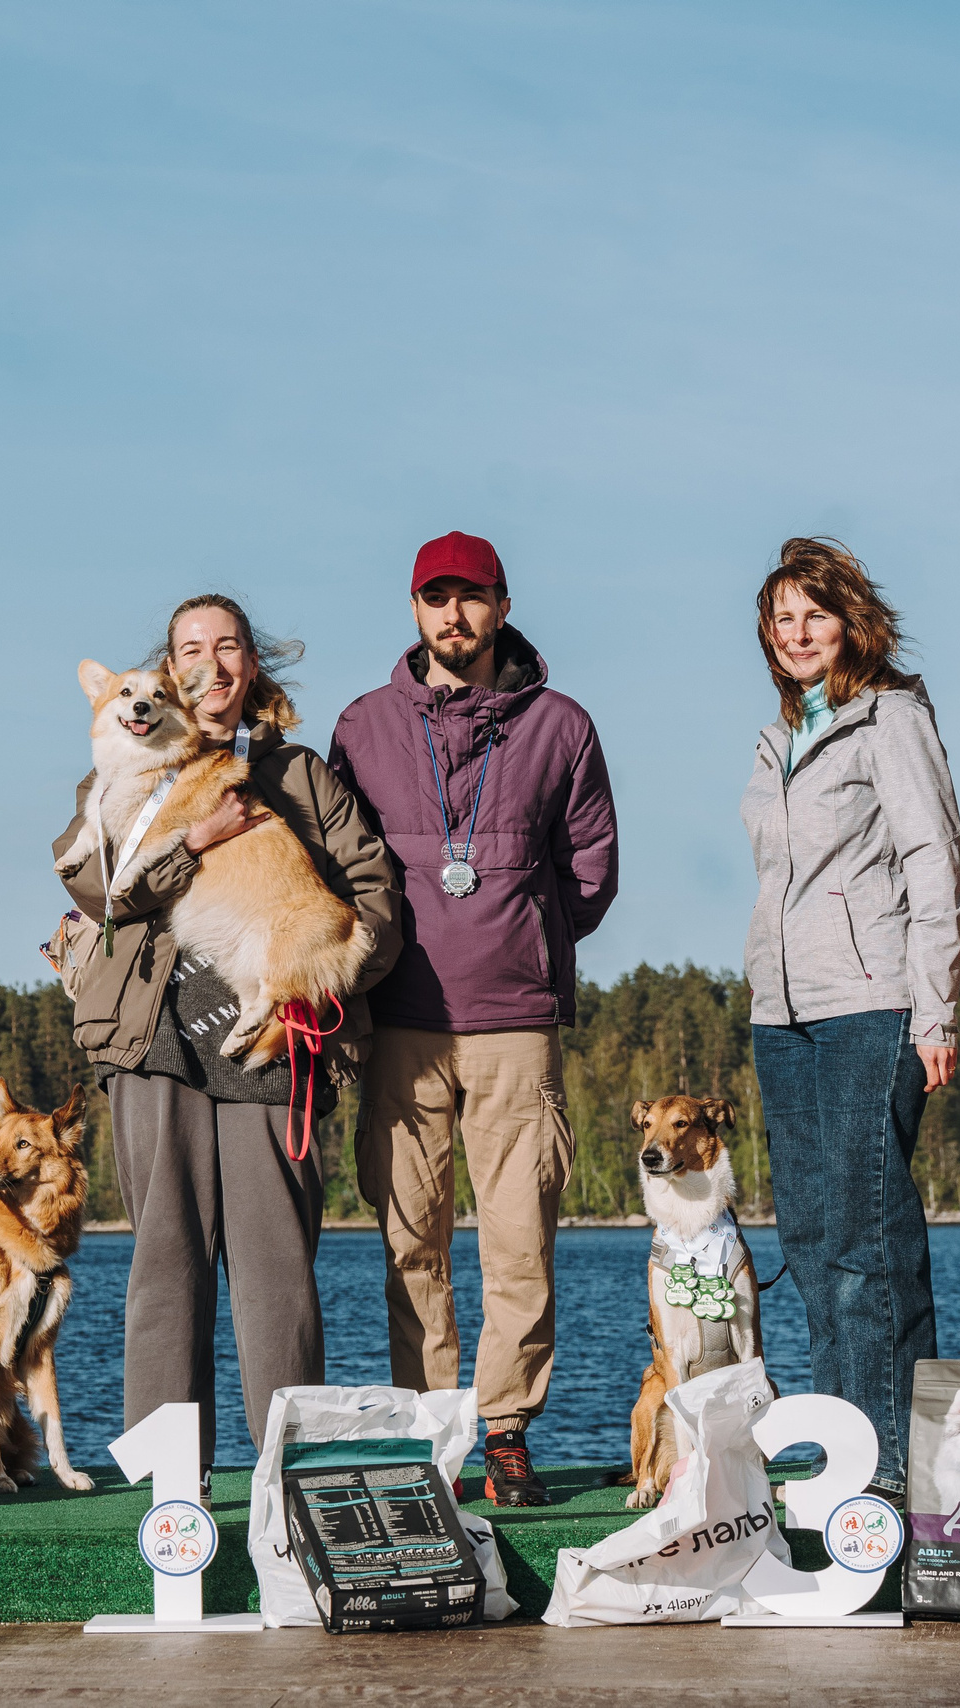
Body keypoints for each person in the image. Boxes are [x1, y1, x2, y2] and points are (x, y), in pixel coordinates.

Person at [52, 595, 401, 1473]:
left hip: (267, 1040)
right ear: (169, 672)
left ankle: (292, 1468)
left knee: (276, 1265)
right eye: (189, 650)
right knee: (163, 1263)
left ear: (253, 666)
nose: (209, 664)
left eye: (228, 647)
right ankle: (166, 1481)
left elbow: (377, 899)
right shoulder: (116, 778)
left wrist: (324, 989)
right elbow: (99, 889)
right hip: (150, 1038)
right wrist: (196, 838)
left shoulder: (302, 775)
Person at [328, 531, 618, 1507]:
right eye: (435, 597)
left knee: (517, 1241)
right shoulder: (362, 726)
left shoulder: (561, 725)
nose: (453, 614)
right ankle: (431, 1427)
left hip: (513, 1023)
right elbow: (338, 871)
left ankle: (503, 1431)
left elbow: (590, 869)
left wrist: (523, 933)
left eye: (472, 596)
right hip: (399, 1021)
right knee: (410, 1238)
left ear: (501, 604)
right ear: (414, 610)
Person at [739, 538, 960, 1502]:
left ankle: (888, 1476)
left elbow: (934, 861)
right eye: (781, 619)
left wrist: (936, 1010)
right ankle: (844, 1450)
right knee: (811, 1238)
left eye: (813, 616)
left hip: (873, 1006)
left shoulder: (891, 718)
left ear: (850, 621)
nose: (796, 634)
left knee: (867, 1244)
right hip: (780, 1013)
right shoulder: (779, 733)